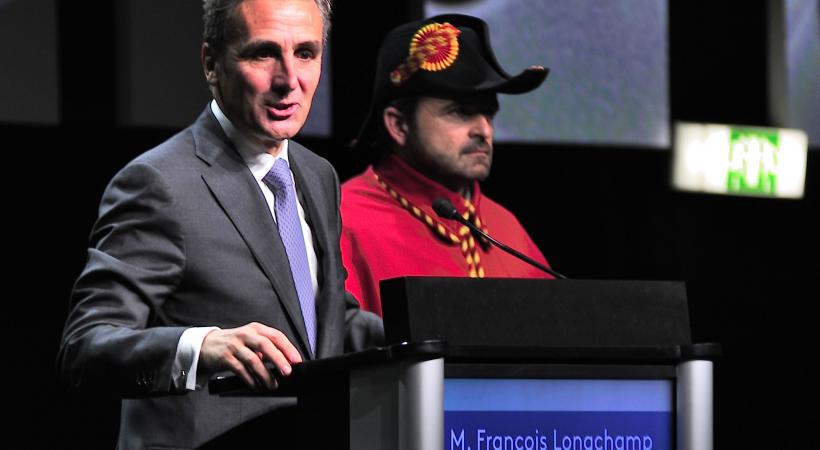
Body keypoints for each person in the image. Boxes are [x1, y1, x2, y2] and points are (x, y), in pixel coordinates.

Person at [58, 0, 382, 448]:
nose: (290, 80)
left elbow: (324, 319)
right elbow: (85, 349)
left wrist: (434, 335)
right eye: (263, 53)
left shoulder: (317, 174)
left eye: (305, 53)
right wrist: (200, 347)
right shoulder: (160, 183)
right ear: (212, 63)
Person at [341, 14, 556, 316]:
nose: (484, 130)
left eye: (489, 114)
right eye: (460, 112)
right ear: (399, 125)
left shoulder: (505, 226)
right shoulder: (344, 220)